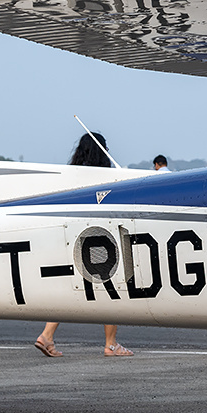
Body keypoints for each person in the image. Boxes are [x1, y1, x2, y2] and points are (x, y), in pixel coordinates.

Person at [35, 130, 131, 357]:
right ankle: (111, 344)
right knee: (112, 291)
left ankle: (46, 336)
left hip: (71, 240)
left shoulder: (71, 175)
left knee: (69, 293)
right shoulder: (105, 177)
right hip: (99, 243)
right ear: (102, 151)